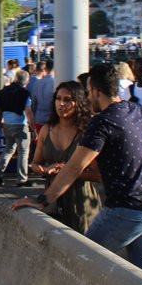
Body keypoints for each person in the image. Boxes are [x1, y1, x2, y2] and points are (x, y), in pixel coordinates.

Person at [12, 62, 142, 276]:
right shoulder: (137, 110)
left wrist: (41, 200)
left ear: (96, 91)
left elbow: (74, 167)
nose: (88, 98)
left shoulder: (102, 122)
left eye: (88, 92)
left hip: (124, 210)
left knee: (80, 263)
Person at [28, 81, 101, 233]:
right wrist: (44, 169)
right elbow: (35, 164)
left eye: (67, 100)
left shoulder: (86, 132)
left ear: (78, 102)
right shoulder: (46, 130)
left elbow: (98, 174)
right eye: (58, 99)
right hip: (52, 202)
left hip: (81, 202)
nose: (61, 104)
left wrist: (68, 171)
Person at [0, 69, 32, 186]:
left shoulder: (4, 91)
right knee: (23, 152)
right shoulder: (25, 93)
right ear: (27, 81)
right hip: (21, 125)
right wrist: (33, 128)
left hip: (7, 125)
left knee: (8, 149)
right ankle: (22, 179)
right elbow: (28, 112)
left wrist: (0, 123)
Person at [26, 60, 55, 128]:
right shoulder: (56, 83)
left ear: (46, 69)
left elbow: (34, 104)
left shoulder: (37, 83)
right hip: (52, 119)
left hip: (39, 118)